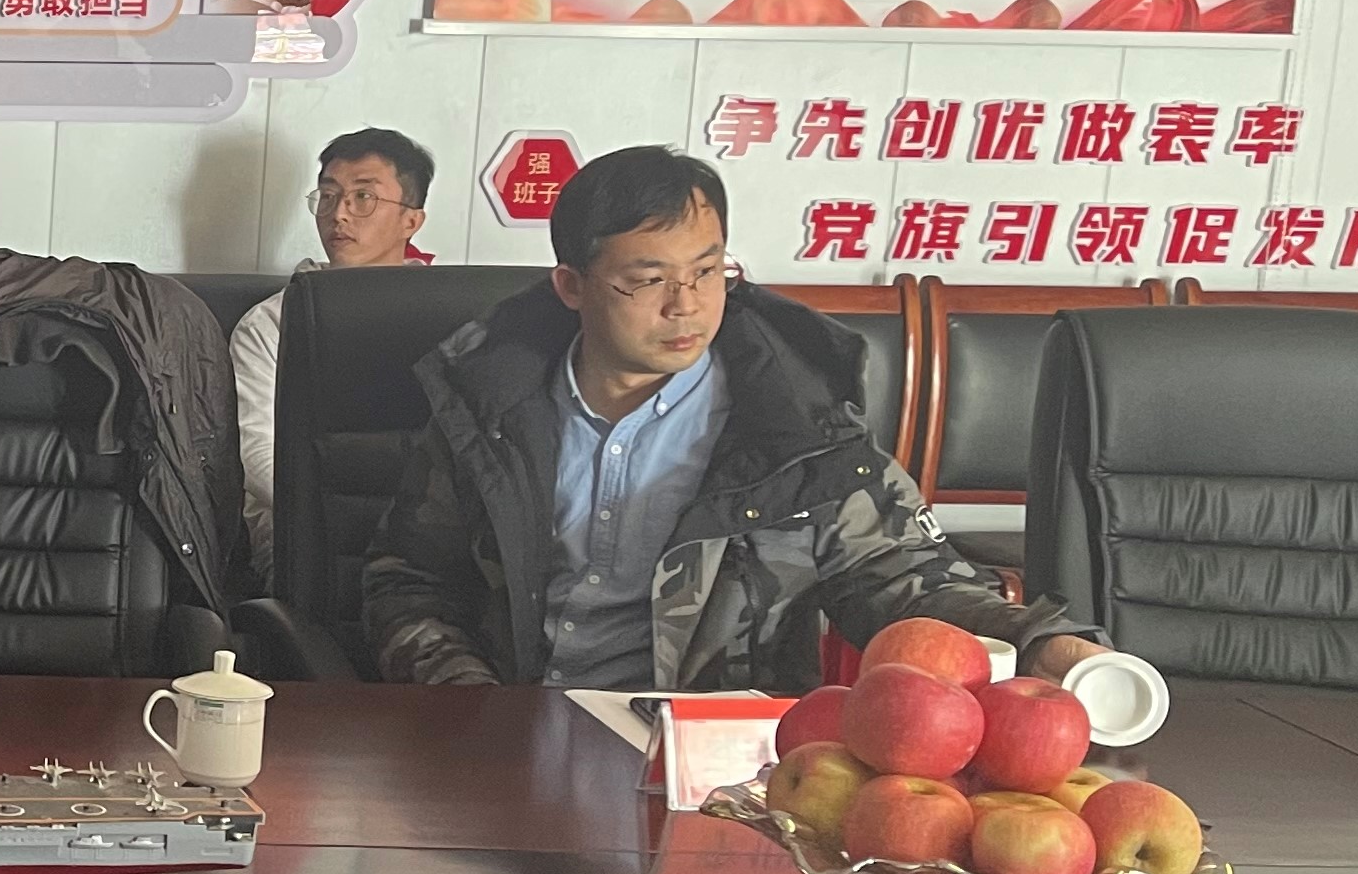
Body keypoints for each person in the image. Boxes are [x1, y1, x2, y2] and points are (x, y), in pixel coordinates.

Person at [364, 144, 1109, 691]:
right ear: (571, 285)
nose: (686, 305)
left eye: (707, 272)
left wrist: (1038, 641)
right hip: (507, 737)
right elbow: (407, 579)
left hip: (713, 760)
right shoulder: (489, 408)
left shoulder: (794, 424)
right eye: (648, 280)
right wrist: (472, 704)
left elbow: (902, 577)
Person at [231, 125, 433, 584]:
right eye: (328, 197)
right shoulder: (270, 324)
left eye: (363, 198)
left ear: (411, 221)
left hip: (426, 534)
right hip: (306, 534)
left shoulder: (447, 317)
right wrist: (349, 513)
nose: (339, 214)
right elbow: (256, 454)